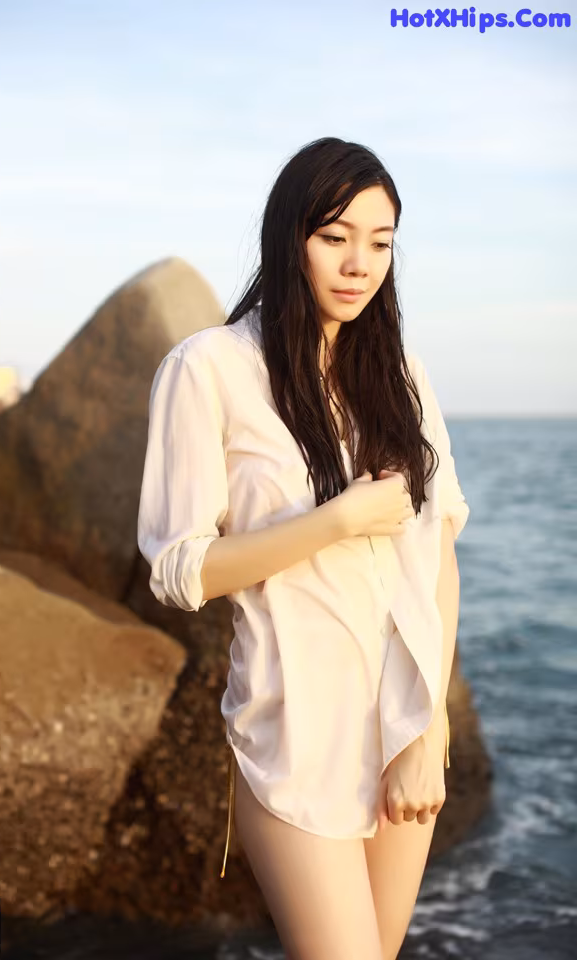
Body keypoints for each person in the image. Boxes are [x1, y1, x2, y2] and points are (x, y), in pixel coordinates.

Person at [137, 136, 469, 960]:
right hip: (296, 738)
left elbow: (437, 559)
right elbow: (179, 571)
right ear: (290, 237)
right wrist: (338, 520)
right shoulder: (210, 368)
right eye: (334, 237)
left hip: (405, 735)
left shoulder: (402, 375)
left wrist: (428, 733)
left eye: (381, 243)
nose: (359, 264)